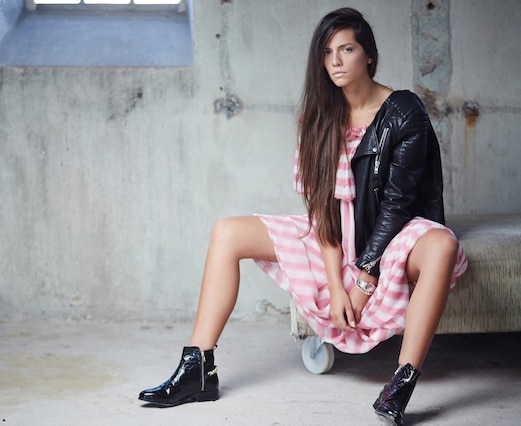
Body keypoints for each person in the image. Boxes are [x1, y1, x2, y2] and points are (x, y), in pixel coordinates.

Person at [139, 7, 468, 426]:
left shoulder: (405, 112)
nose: (335, 61)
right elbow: (323, 210)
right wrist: (336, 286)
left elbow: (397, 205)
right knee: (227, 233)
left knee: (442, 244)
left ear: (368, 55)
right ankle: (198, 369)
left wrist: (365, 281)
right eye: (327, 52)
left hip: (394, 232)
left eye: (346, 49)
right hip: (338, 236)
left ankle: (401, 383)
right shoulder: (317, 118)